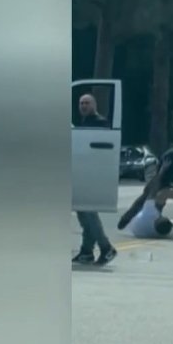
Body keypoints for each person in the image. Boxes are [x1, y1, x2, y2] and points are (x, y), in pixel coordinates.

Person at [117, 147, 173, 240]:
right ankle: (128, 218)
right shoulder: (171, 157)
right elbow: (158, 178)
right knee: (148, 194)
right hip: (165, 177)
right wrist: (161, 175)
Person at [72, 93, 117, 264]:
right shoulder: (84, 123)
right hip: (84, 173)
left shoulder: (99, 123)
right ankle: (86, 252)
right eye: (81, 103)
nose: (83, 106)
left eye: (87, 103)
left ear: (94, 105)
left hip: (94, 174)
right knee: (83, 212)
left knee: (89, 213)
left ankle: (106, 247)